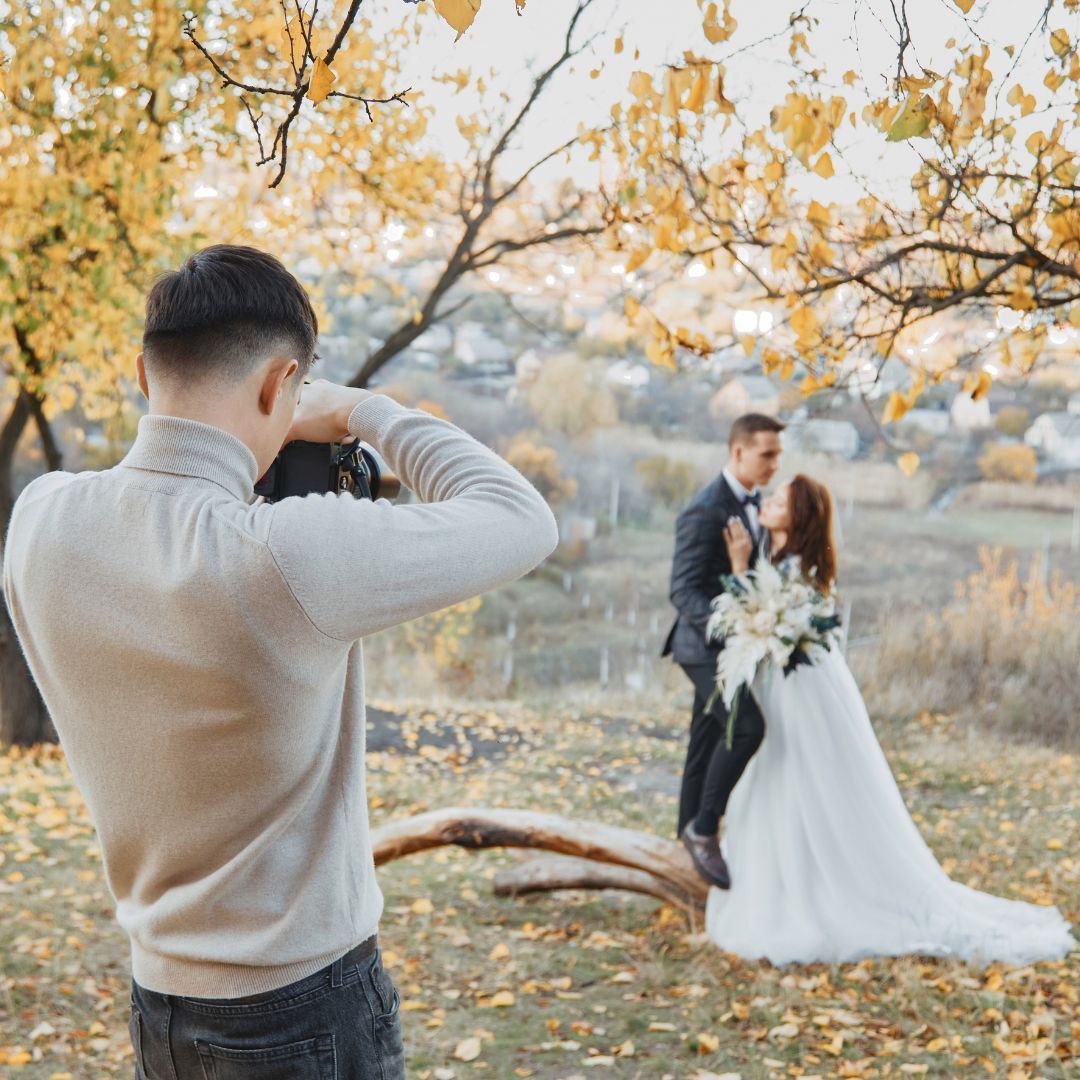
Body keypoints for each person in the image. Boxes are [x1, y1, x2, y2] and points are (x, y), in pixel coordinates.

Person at [1, 245, 560, 1078]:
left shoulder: (39, 521)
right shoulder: (285, 555)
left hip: (160, 1007)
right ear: (279, 385)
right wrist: (366, 410)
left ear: (144, 375)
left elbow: (156, 499)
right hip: (305, 1004)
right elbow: (522, 519)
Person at [705, 474, 1076, 965]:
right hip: (782, 687)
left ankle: (813, 892)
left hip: (803, 690)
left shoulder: (799, 567)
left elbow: (768, 617)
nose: (769, 502)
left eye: (780, 500)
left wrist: (737, 569)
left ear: (799, 515)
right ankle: (783, 883)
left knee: (802, 777)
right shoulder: (776, 557)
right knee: (775, 776)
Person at [660, 413, 784, 888]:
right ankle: (704, 829)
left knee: (705, 741)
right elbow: (683, 590)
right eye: (766, 454)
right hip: (702, 648)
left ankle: (682, 846)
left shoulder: (756, 504)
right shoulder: (704, 508)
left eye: (777, 455)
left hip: (736, 647)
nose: (774, 464)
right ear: (738, 452)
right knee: (746, 727)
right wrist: (732, 626)